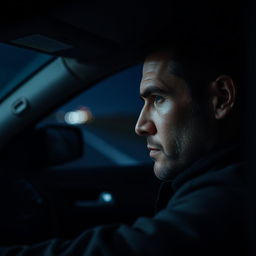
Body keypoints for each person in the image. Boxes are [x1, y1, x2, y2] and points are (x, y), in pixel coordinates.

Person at [0, 41, 246, 255]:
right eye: (143, 102)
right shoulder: (215, 179)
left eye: (158, 98)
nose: (140, 126)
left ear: (221, 98)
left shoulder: (231, 196)